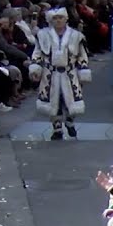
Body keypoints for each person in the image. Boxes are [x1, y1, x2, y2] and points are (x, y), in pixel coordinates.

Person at [28, 7, 90, 140]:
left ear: (66, 19)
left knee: (71, 101)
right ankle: (57, 128)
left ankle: (69, 121)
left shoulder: (76, 36)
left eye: (60, 18)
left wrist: (83, 70)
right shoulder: (43, 35)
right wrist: (35, 67)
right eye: (55, 18)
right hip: (50, 74)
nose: (58, 21)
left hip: (70, 73)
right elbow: (37, 52)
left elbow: (82, 54)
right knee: (53, 101)